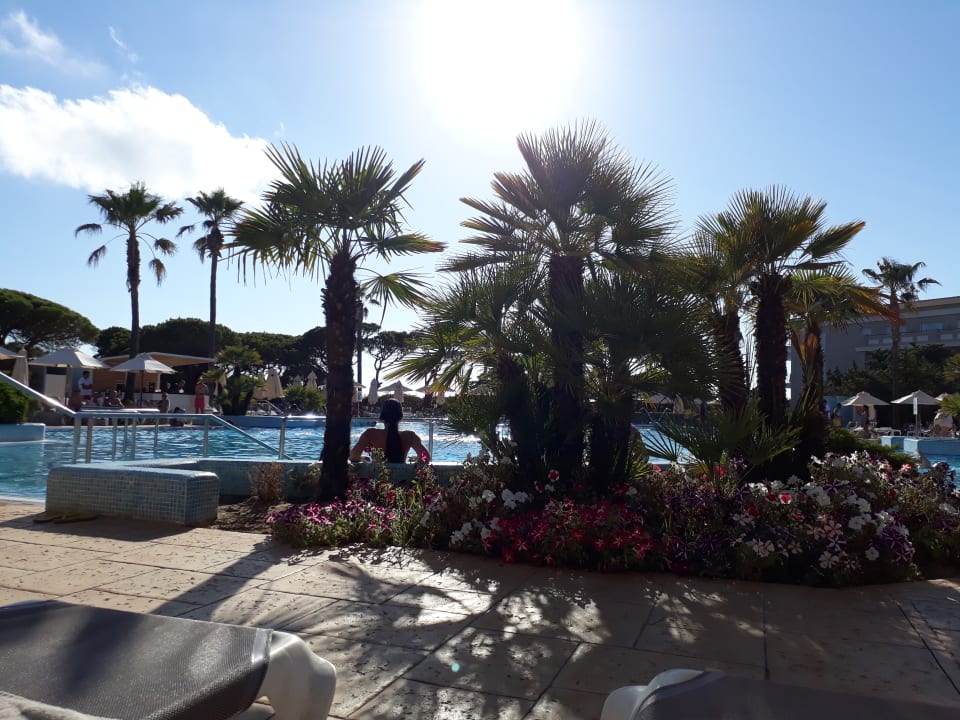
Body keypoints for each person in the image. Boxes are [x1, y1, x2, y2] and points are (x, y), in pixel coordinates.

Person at [349, 398, 430, 463]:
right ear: (400, 417)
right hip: (402, 478)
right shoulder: (410, 436)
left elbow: (353, 456)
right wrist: (414, 461)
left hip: (378, 477)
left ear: (382, 417)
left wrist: (363, 458)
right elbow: (426, 458)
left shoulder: (370, 434)